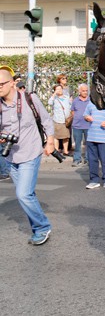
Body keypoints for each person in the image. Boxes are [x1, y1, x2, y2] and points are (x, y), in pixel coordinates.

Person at [0, 65, 54, 245]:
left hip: (30, 152)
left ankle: (43, 227)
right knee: (27, 194)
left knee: (23, 194)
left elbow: (46, 120)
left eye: (2, 83)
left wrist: (50, 140)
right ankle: (38, 228)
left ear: (13, 83)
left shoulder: (30, 98)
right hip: (10, 156)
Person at [47, 84, 71, 157]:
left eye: (60, 89)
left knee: (66, 136)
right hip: (57, 120)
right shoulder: (54, 99)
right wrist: (54, 95)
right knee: (56, 136)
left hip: (65, 120)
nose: (59, 90)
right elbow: (49, 103)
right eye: (57, 89)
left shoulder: (67, 97)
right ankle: (56, 150)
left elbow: (70, 106)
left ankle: (65, 150)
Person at [71, 83, 91, 167]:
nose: (85, 92)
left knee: (88, 144)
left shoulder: (91, 100)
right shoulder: (75, 101)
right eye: (83, 91)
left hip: (88, 126)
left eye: (86, 91)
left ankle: (88, 159)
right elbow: (72, 112)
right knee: (77, 144)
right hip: (77, 126)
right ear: (79, 91)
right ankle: (77, 160)